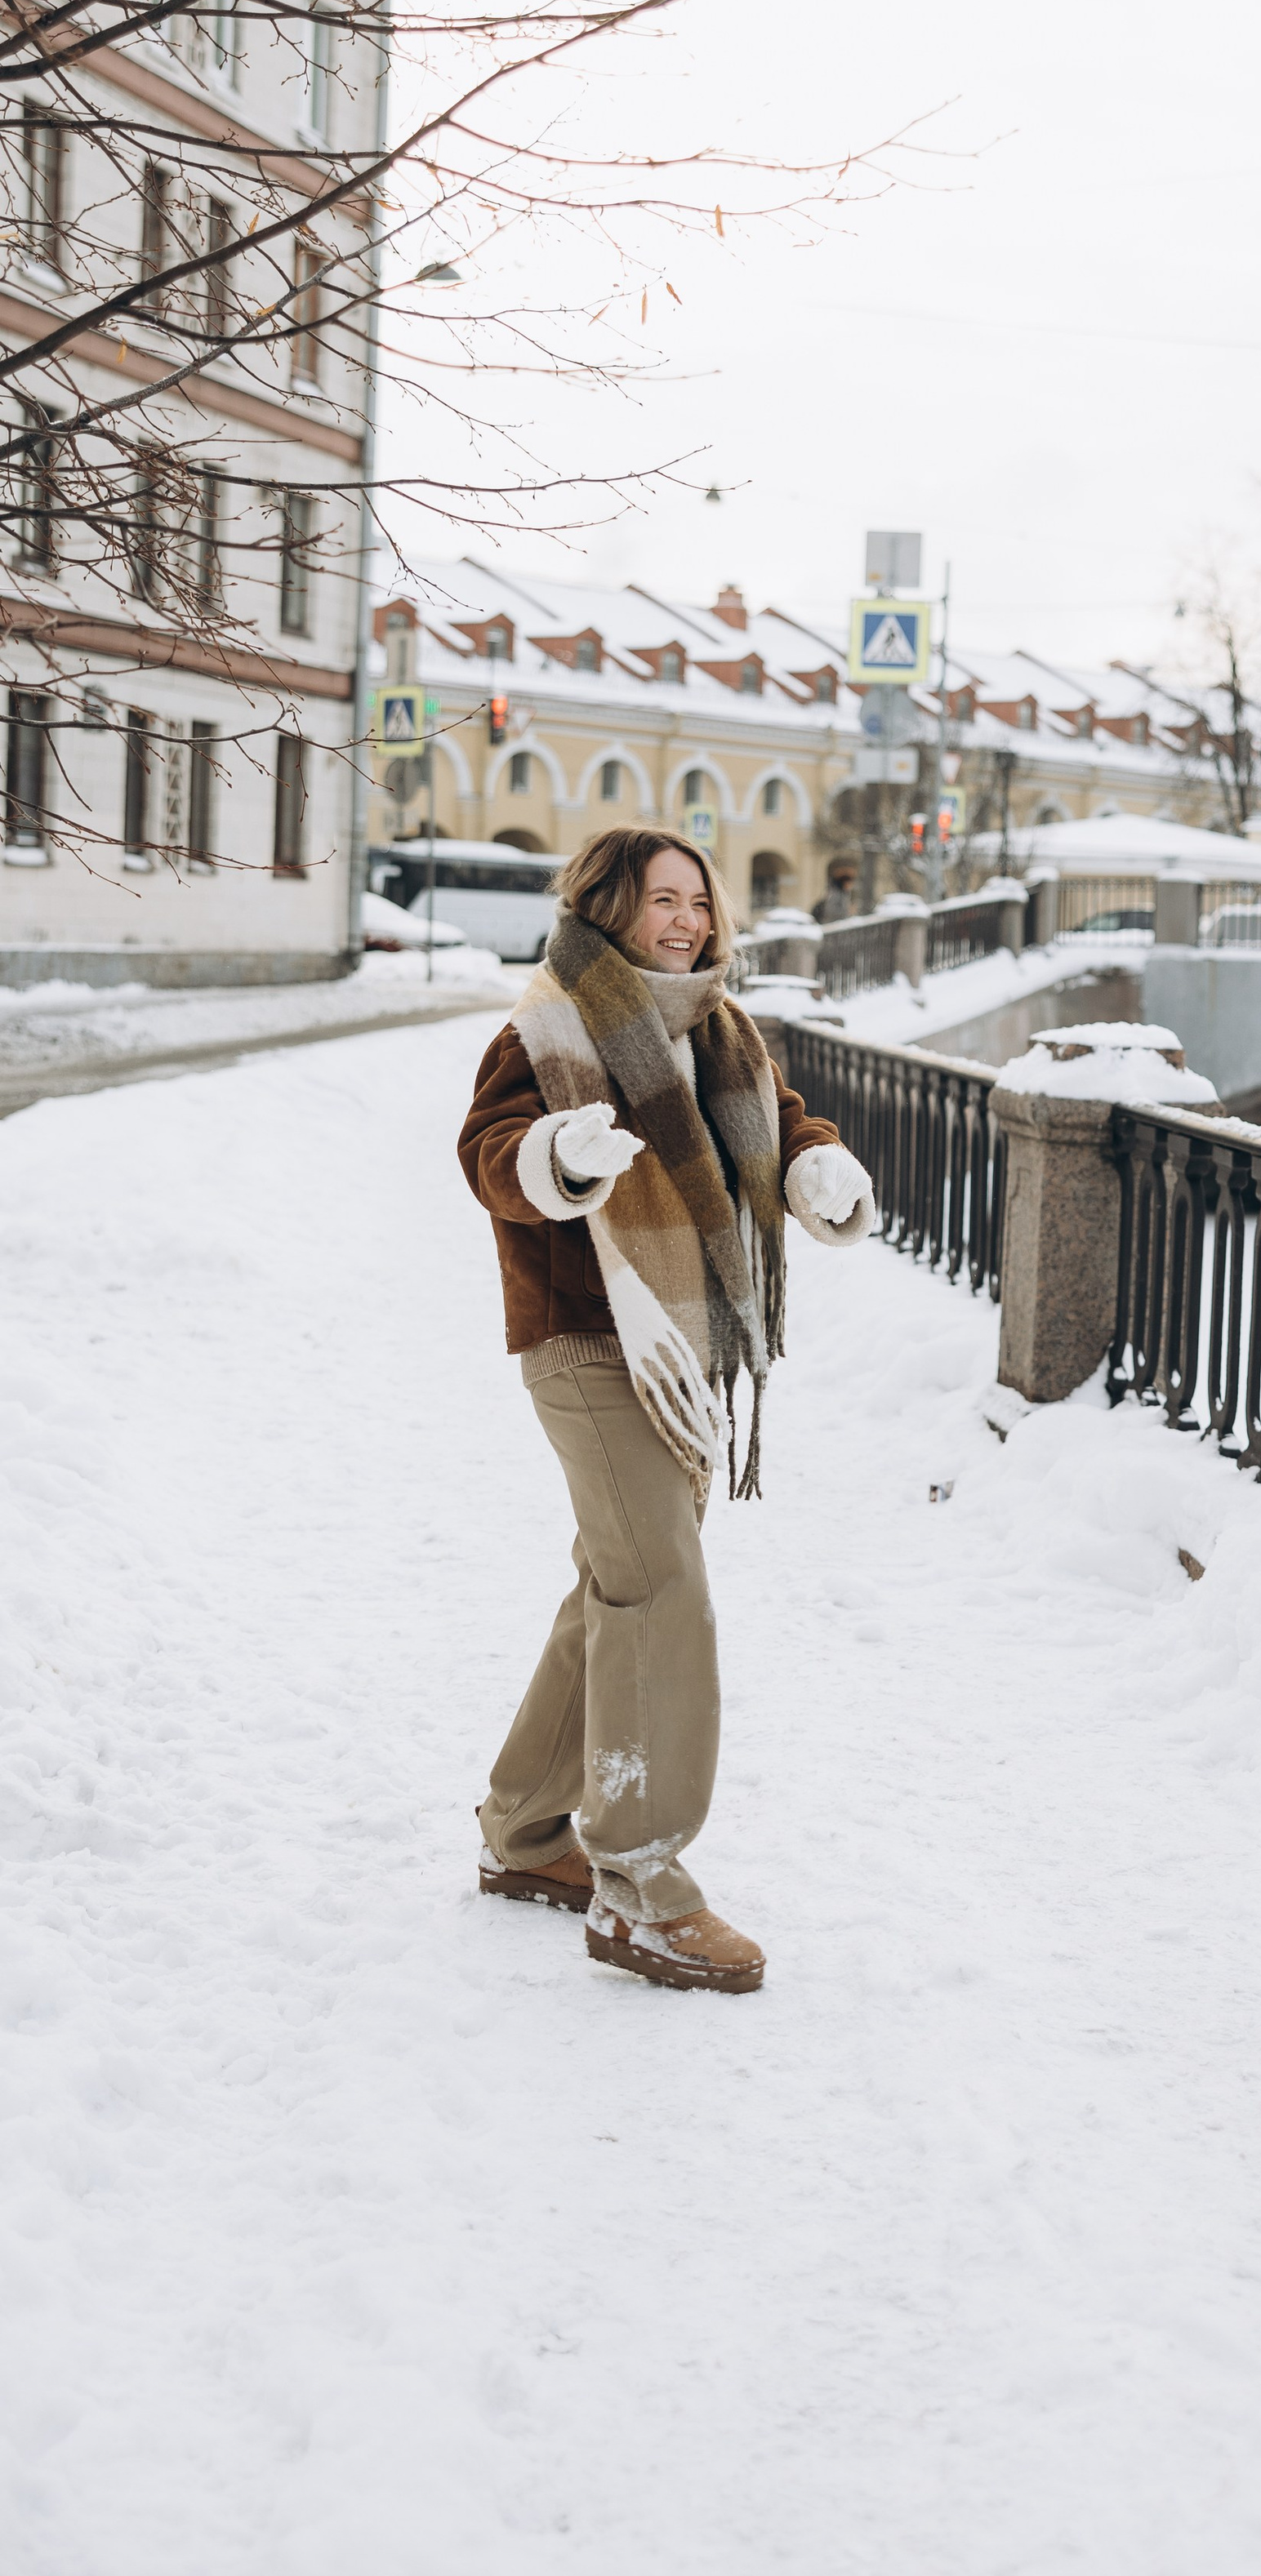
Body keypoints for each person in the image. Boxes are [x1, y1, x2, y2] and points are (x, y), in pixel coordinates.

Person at [458, 825, 876, 1994]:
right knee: (661, 1588)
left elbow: (779, 1121)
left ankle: (524, 1830)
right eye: (661, 902)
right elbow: (488, 1150)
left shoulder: (721, 1031)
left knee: (617, 1584)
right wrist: (557, 1153)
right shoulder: (546, 1028)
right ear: (608, 908)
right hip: (589, 1345)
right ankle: (640, 1888)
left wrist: (813, 1163)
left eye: (700, 900)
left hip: (684, 1353)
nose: (687, 921)